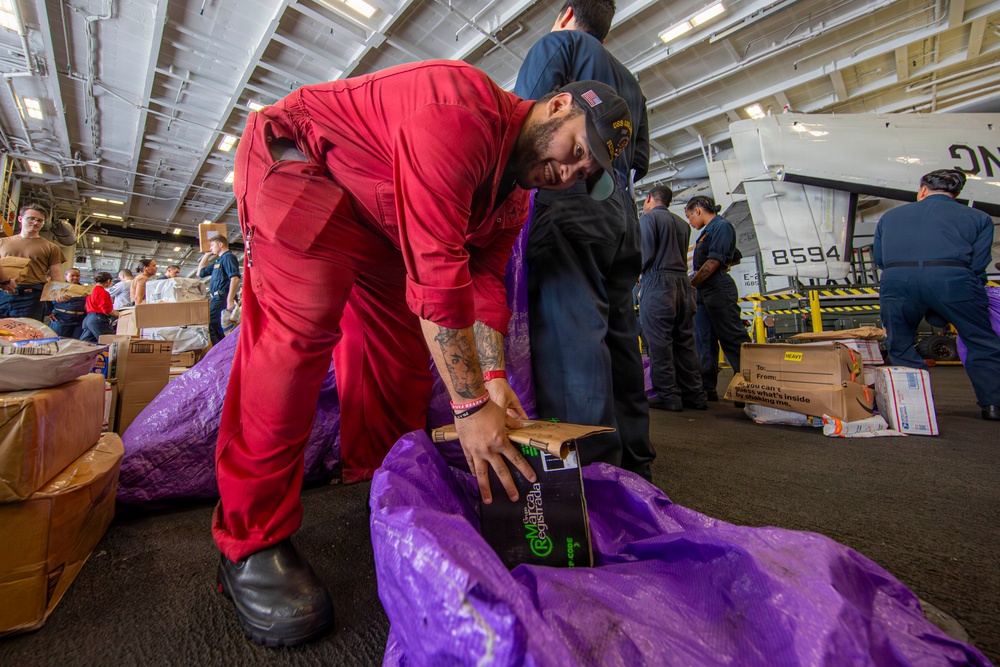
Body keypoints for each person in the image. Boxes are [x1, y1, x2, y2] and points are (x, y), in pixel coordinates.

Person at [215, 60, 632, 648]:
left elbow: (484, 285)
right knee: (296, 338)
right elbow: (437, 274)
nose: (568, 172)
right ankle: (248, 540)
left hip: (377, 215)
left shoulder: (514, 196)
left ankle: (374, 479)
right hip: (302, 167)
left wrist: (490, 378)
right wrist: (468, 408)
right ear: (559, 106)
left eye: (584, 172)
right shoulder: (457, 113)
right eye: (575, 150)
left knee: (404, 360)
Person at [513, 0, 654, 481]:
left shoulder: (559, 43)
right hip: (621, 214)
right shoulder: (630, 82)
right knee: (619, 336)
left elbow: (524, 117)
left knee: (570, 336)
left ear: (567, 12)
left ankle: (588, 479)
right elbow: (639, 162)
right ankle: (635, 465)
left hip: (571, 204)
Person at [873, 168, 1000, 421]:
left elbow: (880, 259)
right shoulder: (980, 218)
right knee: (981, 341)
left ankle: (916, 406)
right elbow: (978, 265)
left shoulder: (890, 217)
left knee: (899, 343)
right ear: (957, 193)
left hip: (898, 281)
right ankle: (993, 406)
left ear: (922, 190)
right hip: (953, 280)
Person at [639, 186, 707, 411]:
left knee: (659, 343)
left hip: (659, 284)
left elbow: (645, 255)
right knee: (685, 342)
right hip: (683, 285)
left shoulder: (648, 219)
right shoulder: (681, 223)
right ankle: (695, 395)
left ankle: (669, 396)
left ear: (649, 198)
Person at [686, 195, 750, 401]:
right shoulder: (707, 232)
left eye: (689, 217)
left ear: (698, 210)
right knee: (704, 341)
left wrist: (690, 283)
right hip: (704, 292)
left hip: (718, 289)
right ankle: (706, 389)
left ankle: (748, 388)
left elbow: (713, 262)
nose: (689, 222)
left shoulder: (721, 226)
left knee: (732, 338)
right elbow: (735, 255)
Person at [0, 203, 64, 320]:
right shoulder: (2, 242)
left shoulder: (51, 248)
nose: (35, 223)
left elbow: (56, 276)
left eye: (40, 221)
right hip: (2, 294)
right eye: (31, 218)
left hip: (31, 298)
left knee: (26, 334)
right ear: (20, 219)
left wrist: (59, 292)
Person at [197, 235, 241, 344]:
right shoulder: (219, 261)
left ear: (220, 245)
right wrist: (206, 255)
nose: (211, 248)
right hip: (217, 298)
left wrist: (230, 299)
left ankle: (223, 353)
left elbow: (235, 278)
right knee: (214, 326)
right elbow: (200, 273)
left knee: (217, 326)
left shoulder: (228, 257)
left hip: (223, 297)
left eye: (212, 245)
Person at [48, 268, 87, 339]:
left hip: (80, 320)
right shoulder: (58, 288)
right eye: (72, 276)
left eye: (77, 276)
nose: (75, 278)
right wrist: (48, 312)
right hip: (61, 319)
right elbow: (47, 300)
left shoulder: (85, 289)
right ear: (65, 276)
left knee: (76, 344)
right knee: (59, 342)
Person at [81, 272, 119, 342]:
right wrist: (120, 315)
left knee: (86, 343)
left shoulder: (90, 291)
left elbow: (86, 306)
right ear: (108, 281)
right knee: (110, 341)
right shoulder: (103, 292)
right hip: (98, 319)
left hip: (88, 319)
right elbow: (106, 310)